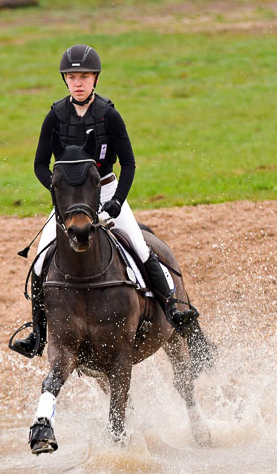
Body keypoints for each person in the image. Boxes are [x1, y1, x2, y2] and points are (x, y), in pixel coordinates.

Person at [12, 44, 198, 358]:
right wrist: (59, 195)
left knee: (141, 248)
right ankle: (38, 334)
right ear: (65, 80)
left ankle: (175, 310)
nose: (78, 82)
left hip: (107, 192)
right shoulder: (55, 116)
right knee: (42, 260)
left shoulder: (109, 115)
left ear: (95, 79)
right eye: (72, 77)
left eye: (84, 76)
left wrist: (117, 202)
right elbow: (40, 165)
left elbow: (129, 164)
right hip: (71, 203)